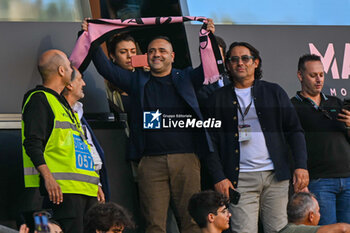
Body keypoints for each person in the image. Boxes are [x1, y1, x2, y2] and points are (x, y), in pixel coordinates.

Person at [83, 19, 215, 233]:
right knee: (154, 224)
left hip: (186, 159)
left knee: (191, 222)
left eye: (162, 50)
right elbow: (106, 69)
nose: (156, 54)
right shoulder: (137, 81)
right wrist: (91, 36)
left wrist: (207, 37)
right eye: (152, 50)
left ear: (172, 56)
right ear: (146, 56)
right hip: (150, 163)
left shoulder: (186, 77)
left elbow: (210, 67)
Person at [206, 41, 309, 233]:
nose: (240, 63)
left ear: (256, 62)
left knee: (279, 230)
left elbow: (295, 130)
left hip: (275, 178)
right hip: (239, 180)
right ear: (227, 65)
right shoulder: (217, 99)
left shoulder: (274, 92)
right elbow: (209, 143)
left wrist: (301, 165)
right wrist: (219, 176)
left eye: (245, 58)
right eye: (234, 59)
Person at [21, 50, 99, 233]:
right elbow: (32, 142)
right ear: (62, 71)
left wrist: (95, 183)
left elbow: (78, 147)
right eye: (69, 65)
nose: (73, 69)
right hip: (60, 193)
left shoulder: (63, 104)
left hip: (84, 191)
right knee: (47, 229)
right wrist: (48, 178)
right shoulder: (39, 99)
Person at [291, 54, 350, 225]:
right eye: (313, 75)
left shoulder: (336, 103)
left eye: (322, 75)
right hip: (319, 181)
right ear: (300, 76)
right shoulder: (292, 106)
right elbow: (289, 146)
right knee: (327, 229)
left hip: (347, 177)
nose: (319, 79)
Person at [61, 67, 110, 203]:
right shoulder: (60, 113)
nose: (84, 83)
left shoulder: (78, 113)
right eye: (79, 79)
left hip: (89, 187)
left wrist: (97, 183)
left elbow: (88, 152)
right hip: (72, 191)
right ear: (69, 85)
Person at [279, 192, 350, 233]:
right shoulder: (295, 230)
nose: (320, 215)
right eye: (318, 211)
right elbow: (343, 228)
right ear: (311, 216)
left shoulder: (285, 229)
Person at [196, 35, 230, 108]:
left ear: (224, 57)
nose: (213, 58)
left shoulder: (232, 81)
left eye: (217, 55)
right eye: (209, 54)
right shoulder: (191, 80)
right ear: (201, 56)